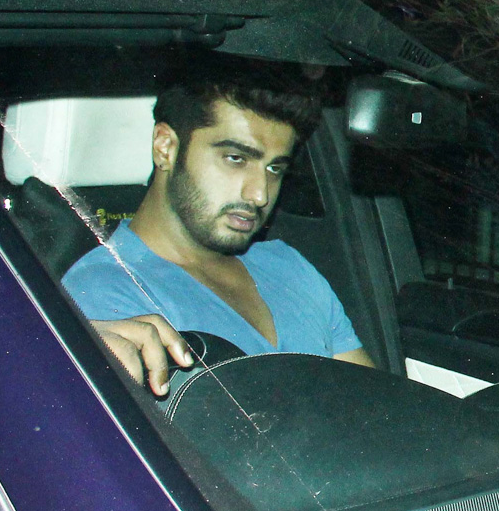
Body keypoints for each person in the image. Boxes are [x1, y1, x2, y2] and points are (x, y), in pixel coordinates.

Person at [62, 59, 374, 395]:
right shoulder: (103, 289)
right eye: (236, 159)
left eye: (274, 169)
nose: (259, 194)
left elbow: (374, 403)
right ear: (165, 148)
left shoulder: (288, 266)